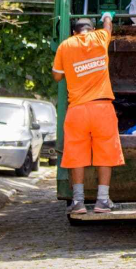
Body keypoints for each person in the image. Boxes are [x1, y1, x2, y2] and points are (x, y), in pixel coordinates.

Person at [52, 13, 124, 214]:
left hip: (77, 110)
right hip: (102, 108)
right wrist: (107, 17)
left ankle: (78, 202)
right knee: (105, 155)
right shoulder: (100, 37)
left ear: (74, 32)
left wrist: (74, 66)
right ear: (91, 30)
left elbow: (57, 76)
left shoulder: (66, 45)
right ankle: (102, 201)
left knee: (76, 156)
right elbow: (108, 28)